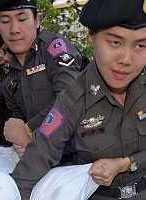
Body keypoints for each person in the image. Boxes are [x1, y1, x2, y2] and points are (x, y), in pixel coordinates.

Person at [11, 0, 146, 199]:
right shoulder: (72, 99)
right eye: (115, 42)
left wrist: (127, 163)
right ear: (91, 36)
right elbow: (37, 159)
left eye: (141, 45)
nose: (126, 59)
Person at [0, 0, 83, 156]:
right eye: (5, 21)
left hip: (79, 156)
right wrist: (22, 141)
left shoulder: (54, 49)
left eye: (22, 19)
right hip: (45, 158)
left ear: (37, 20)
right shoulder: (9, 81)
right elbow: (20, 126)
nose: (14, 29)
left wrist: (28, 129)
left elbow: (69, 98)